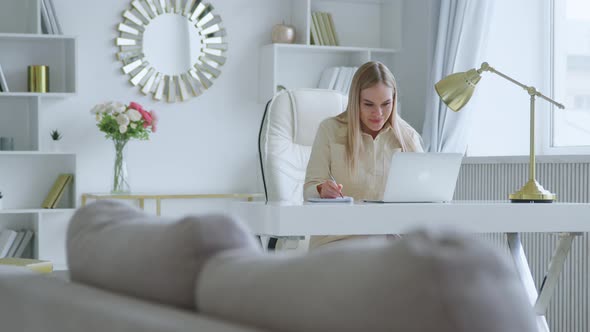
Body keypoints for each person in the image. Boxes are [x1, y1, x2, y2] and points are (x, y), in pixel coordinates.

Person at [303, 61, 424, 249]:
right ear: (355, 101)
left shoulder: (408, 137)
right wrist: (321, 190)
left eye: (386, 104)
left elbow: (423, 196)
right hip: (339, 238)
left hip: (389, 239)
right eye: (369, 104)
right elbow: (310, 187)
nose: (378, 113)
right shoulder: (330, 130)